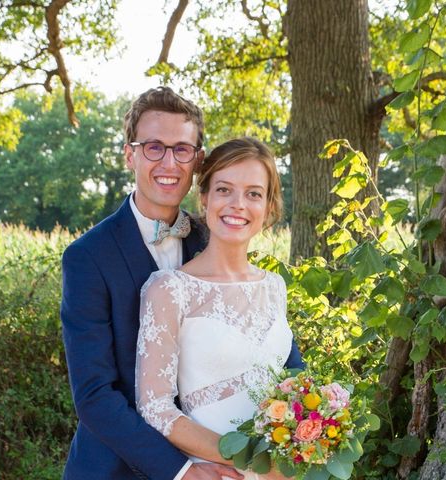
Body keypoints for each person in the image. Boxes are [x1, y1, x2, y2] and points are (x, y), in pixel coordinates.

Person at [60, 88, 302, 479]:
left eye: (182, 149)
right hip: (120, 468)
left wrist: (310, 423)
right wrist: (183, 470)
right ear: (129, 154)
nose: (168, 162)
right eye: (154, 147)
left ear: (198, 159)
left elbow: (269, 351)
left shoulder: (218, 238)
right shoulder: (88, 257)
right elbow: (94, 396)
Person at [135, 137, 305, 480]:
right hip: (215, 472)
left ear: (269, 206)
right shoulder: (169, 289)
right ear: (205, 197)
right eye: (224, 189)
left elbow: (287, 384)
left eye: (254, 194)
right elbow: (155, 407)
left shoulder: (274, 287)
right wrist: (249, 461)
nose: (238, 204)